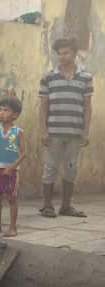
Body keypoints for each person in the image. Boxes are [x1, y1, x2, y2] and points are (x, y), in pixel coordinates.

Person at [39, 36, 92, 218]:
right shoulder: (48, 77)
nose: (62, 56)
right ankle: (47, 206)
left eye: (66, 53)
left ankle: (66, 206)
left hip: (75, 133)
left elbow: (87, 106)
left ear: (74, 53)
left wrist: (86, 131)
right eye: (59, 53)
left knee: (71, 168)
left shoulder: (85, 77)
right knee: (50, 168)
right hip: (53, 132)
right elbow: (43, 106)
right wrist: (43, 130)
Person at [0, 97, 25, 238]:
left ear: (15, 115)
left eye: (6, 110)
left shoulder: (18, 131)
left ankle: (12, 227)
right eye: (0, 110)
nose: (1, 113)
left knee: (11, 198)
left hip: (11, 170)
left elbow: (23, 153)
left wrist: (12, 166)